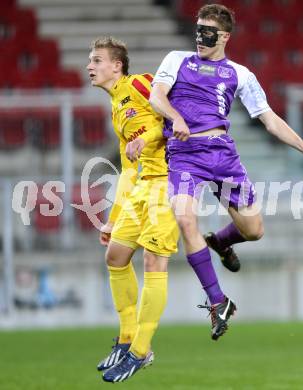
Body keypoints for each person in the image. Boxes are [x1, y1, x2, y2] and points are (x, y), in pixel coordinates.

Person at [126, 4, 303, 340]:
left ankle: (219, 241)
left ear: (224, 37)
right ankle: (218, 301)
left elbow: (268, 118)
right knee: (185, 219)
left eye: (208, 33)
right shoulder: (177, 59)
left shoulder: (240, 74)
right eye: (198, 31)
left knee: (254, 230)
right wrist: (175, 118)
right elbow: (156, 97)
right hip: (185, 155)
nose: (200, 39)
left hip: (222, 155)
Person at [86, 36, 179, 383]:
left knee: (153, 260)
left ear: (116, 66)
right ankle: (126, 340)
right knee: (115, 256)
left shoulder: (139, 82)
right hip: (141, 186)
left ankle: (141, 350)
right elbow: (127, 168)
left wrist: (149, 137)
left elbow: (171, 117)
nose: (89, 66)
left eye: (96, 60)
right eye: (90, 61)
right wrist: (111, 219)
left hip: (169, 182)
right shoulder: (116, 107)